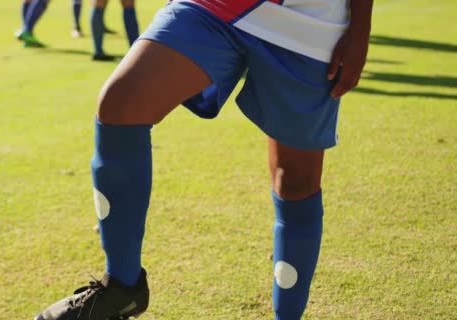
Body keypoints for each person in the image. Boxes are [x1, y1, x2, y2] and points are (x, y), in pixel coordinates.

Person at [33, 0, 373, 319]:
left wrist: (360, 29)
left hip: (308, 16)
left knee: (295, 181)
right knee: (121, 101)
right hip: (214, 6)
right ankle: (121, 287)